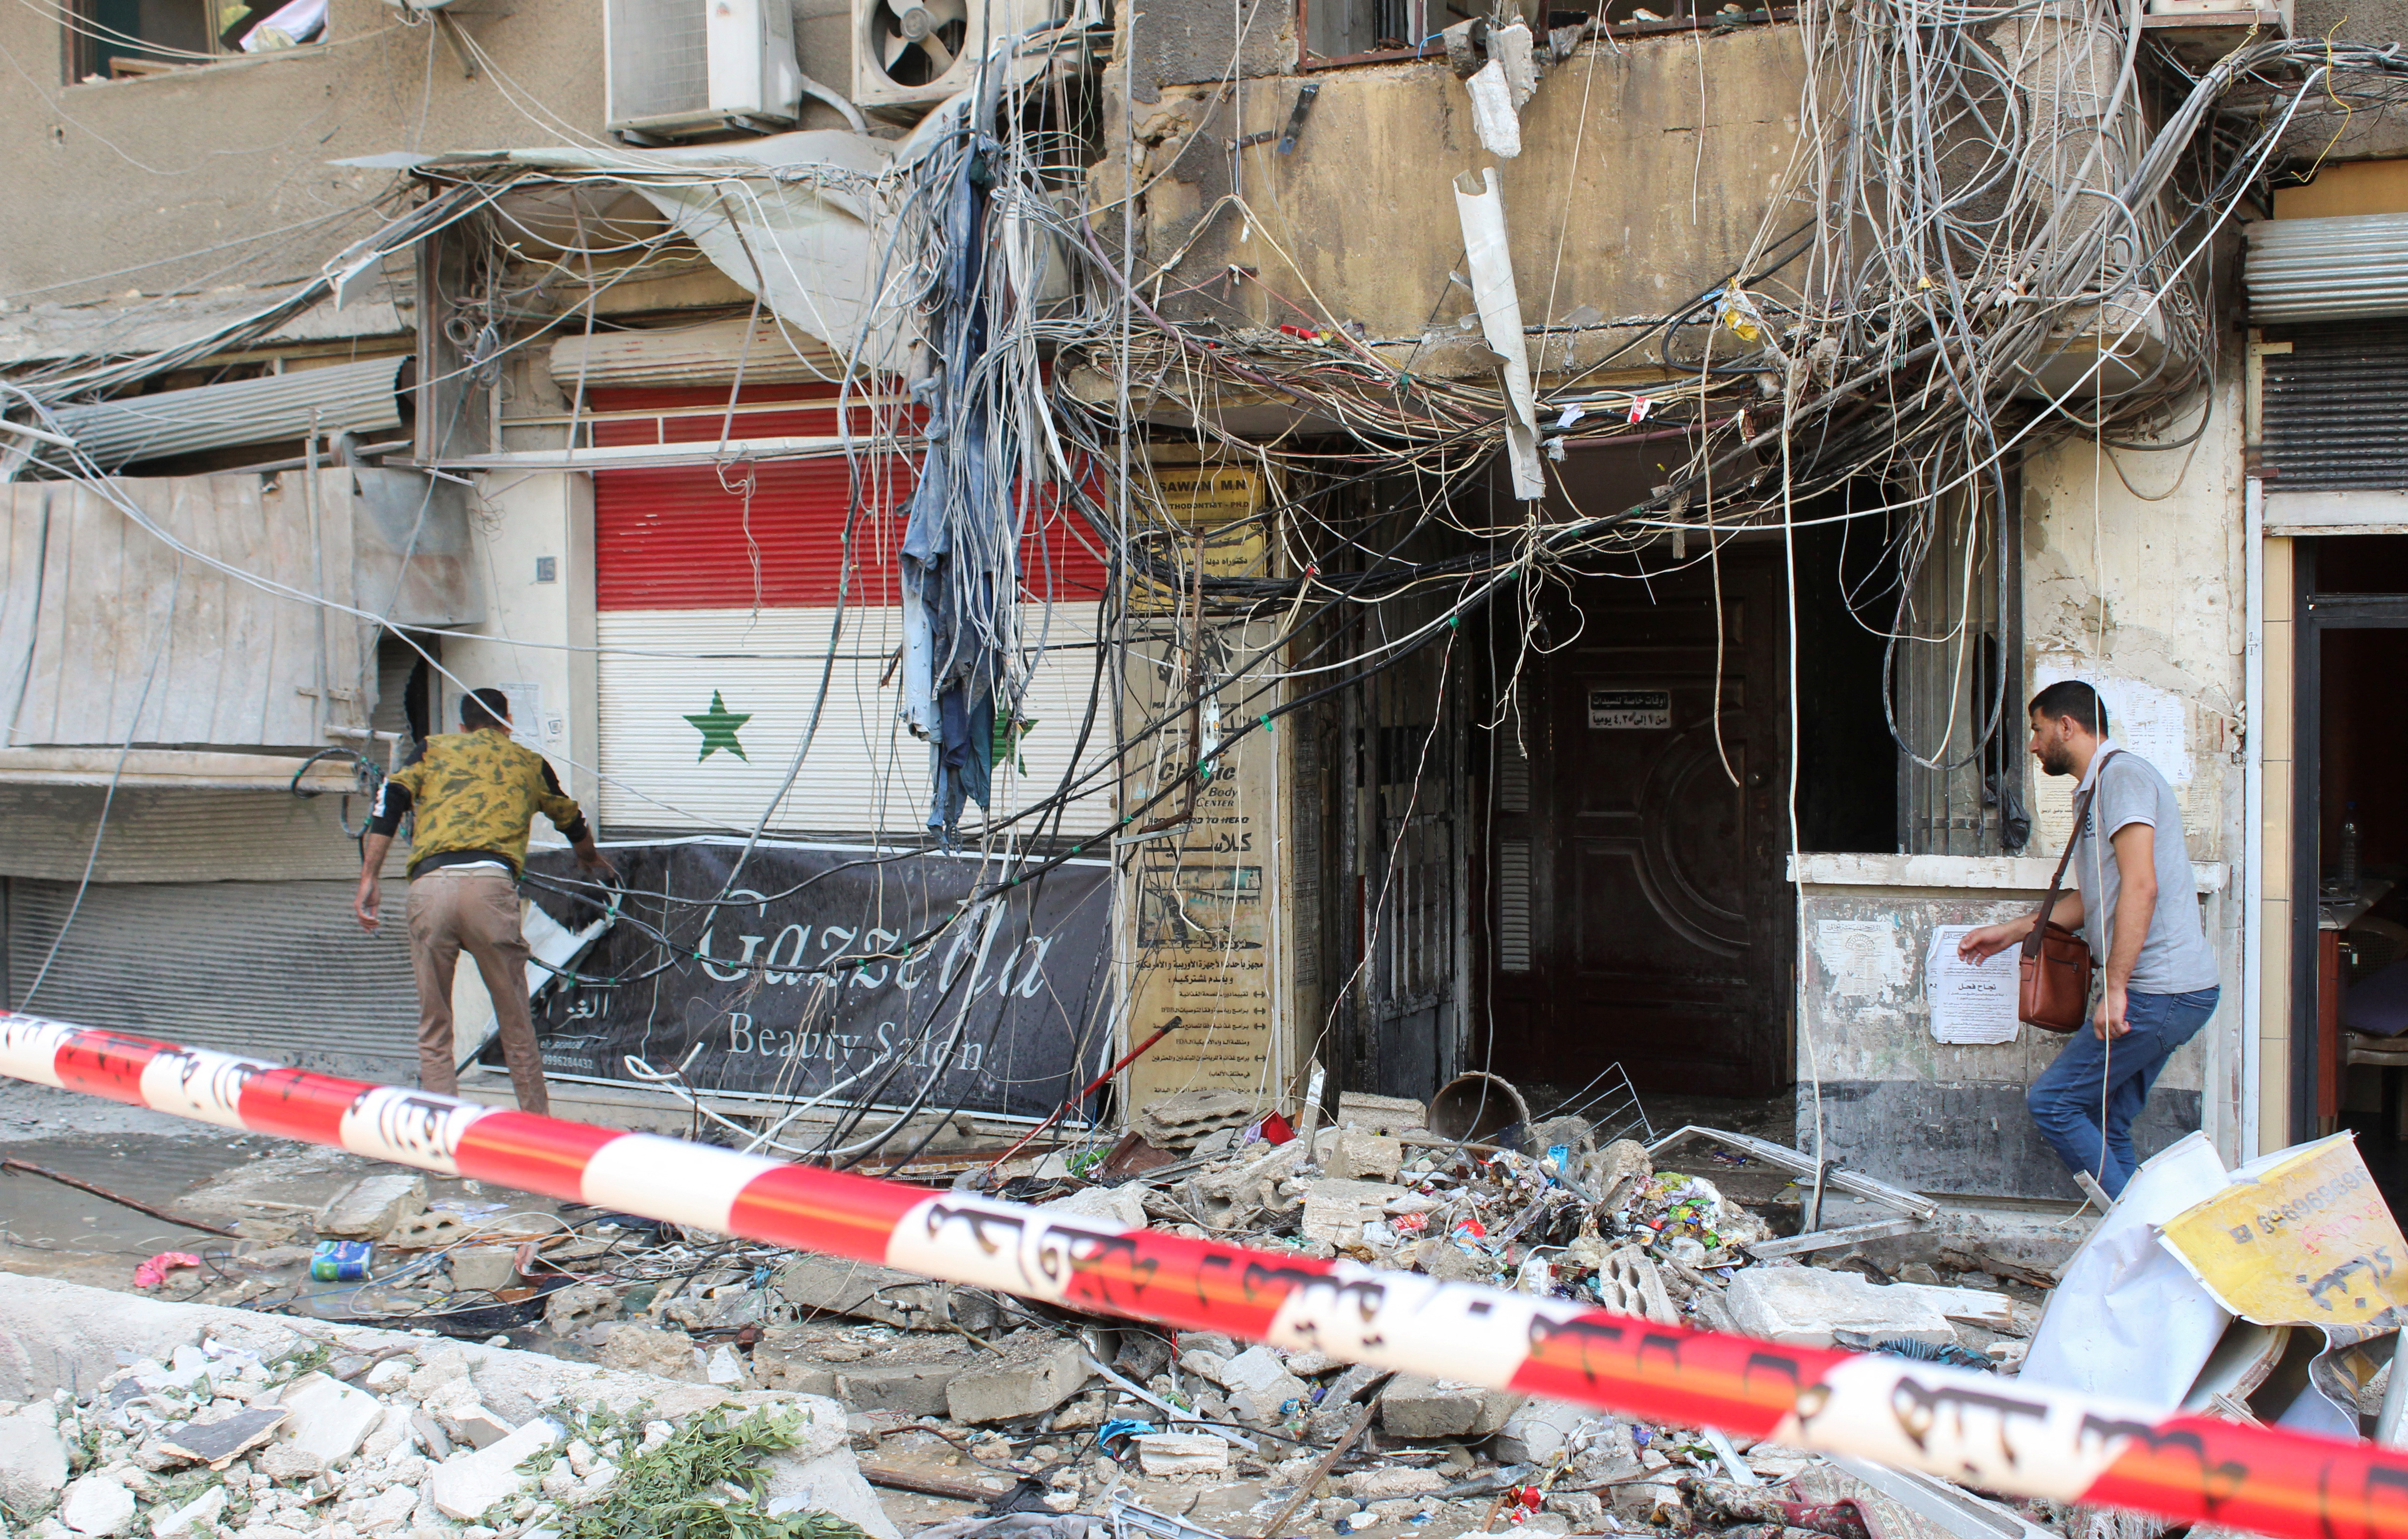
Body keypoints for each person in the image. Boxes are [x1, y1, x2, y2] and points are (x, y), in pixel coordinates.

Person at [1957, 680, 2220, 1199]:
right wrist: (2010, 934)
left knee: (2052, 1103)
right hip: (2173, 992)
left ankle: (2137, 1237)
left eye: (2035, 731)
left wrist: (2116, 989)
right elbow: (2096, 898)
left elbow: (2141, 887)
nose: (2032, 745)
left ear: (2066, 726)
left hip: (2158, 993)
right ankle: (2142, 1243)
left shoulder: (2121, 777)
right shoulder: (2101, 786)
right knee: (2107, 1121)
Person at [353, 688, 615, 1114]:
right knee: (516, 1023)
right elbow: (571, 818)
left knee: (435, 1027)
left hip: (431, 887)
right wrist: (591, 861)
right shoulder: (530, 762)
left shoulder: (432, 749)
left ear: (462, 725)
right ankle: (538, 1132)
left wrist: (370, 877)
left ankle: (440, 1136)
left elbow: (391, 801)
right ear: (506, 722)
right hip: (491, 889)